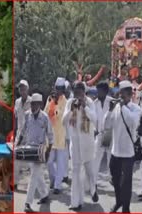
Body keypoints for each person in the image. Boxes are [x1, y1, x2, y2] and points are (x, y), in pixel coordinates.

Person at [104, 80, 142, 213]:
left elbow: (133, 122)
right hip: (115, 151)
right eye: (121, 94)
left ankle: (126, 208)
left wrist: (123, 107)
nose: (122, 96)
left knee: (126, 183)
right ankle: (119, 201)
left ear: (130, 95)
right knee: (115, 180)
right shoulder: (116, 108)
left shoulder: (135, 109)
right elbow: (106, 126)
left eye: (125, 94)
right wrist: (109, 111)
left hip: (128, 153)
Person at [62, 81, 98, 211]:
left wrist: (85, 107)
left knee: (90, 172)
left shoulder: (89, 102)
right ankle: (76, 202)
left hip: (88, 144)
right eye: (75, 92)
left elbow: (95, 119)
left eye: (80, 92)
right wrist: (71, 110)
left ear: (84, 92)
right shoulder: (70, 102)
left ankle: (93, 190)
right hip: (75, 144)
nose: (78, 94)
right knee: (76, 173)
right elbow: (63, 121)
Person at [17, 93, 53, 213]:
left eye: (35, 104)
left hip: (40, 150)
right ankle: (45, 195)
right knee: (37, 175)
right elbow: (23, 130)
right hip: (29, 148)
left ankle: (27, 203)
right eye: (31, 103)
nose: (32, 106)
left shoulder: (45, 117)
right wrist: (18, 144)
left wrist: (48, 152)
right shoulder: (28, 115)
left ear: (40, 104)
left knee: (33, 176)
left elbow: (50, 135)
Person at [44, 77, 67, 194]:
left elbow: (61, 115)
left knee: (60, 162)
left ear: (63, 90)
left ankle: (58, 185)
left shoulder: (65, 101)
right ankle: (53, 180)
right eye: (57, 88)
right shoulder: (50, 99)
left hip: (61, 135)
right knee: (49, 161)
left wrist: (56, 104)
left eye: (60, 89)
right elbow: (45, 113)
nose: (58, 91)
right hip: (50, 136)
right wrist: (52, 102)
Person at [93, 82, 113, 186]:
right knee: (96, 157)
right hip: (99, 133)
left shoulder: (111, 102)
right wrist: (94, 129)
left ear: (105, 92)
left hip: (109, 133)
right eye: (97, 91)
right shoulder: (95, 103)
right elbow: (93, 119)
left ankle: (111, 177)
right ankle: (94, 180)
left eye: (100, 91)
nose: (98, 93)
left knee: (110, 156)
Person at [14, 80, 32, 190]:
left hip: (30, 135)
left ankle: (33, 186)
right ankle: (15, 182)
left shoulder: (32, 101)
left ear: (27, 89)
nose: (22, 90)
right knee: (16, 160)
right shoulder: (17, 102)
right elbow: (16, 118)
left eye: (24, 88)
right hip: (19, 134)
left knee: (32, 162)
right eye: (20, 88)